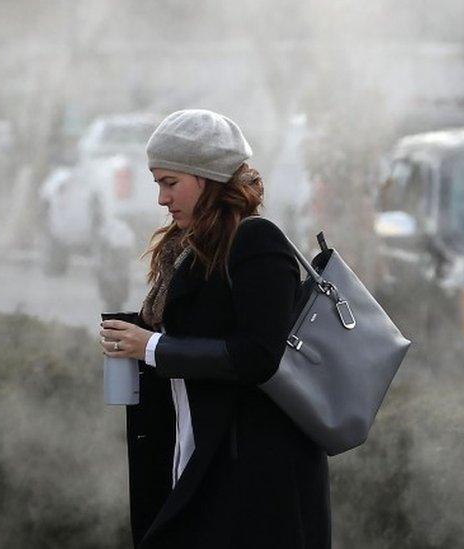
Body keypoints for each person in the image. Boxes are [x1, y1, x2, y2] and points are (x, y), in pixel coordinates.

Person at [99, 109, 330, 548]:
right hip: (196, 456)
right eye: (157, 184)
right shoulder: (186, 248)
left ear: (206, 177)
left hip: (252, 475)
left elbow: (258, 356)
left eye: (170, 182)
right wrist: (136, 343)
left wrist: (153, 348)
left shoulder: (257, 241)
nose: (162, 199)